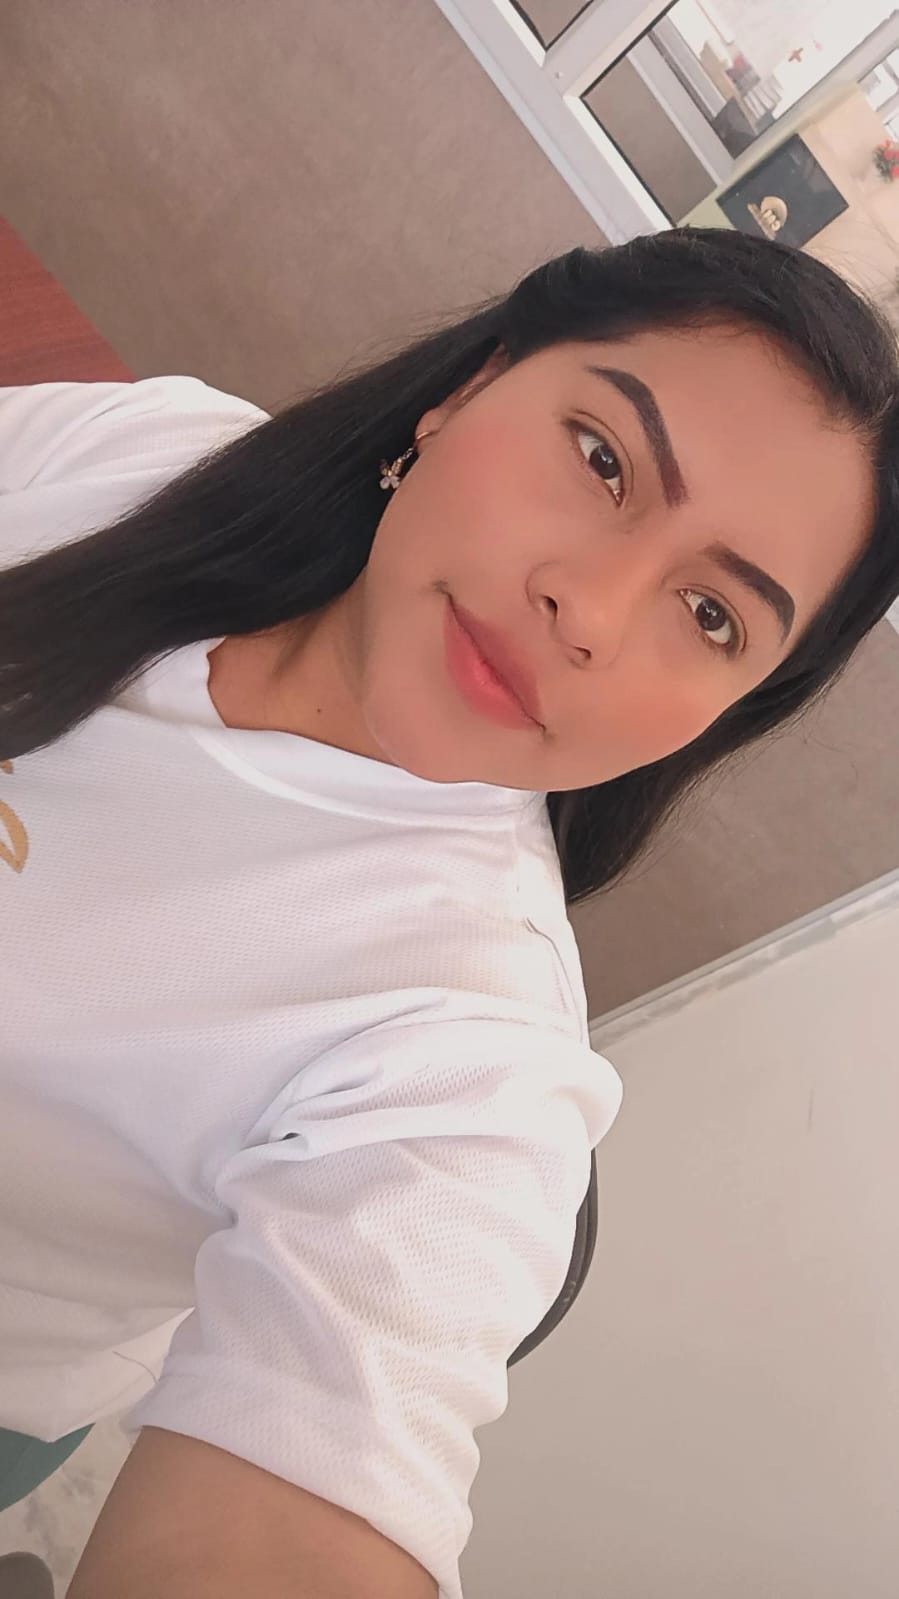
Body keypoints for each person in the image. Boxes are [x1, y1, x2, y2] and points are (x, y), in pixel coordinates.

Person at [0, 227, 897, 1599]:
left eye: (713, 617)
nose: (589, 610)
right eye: (603, 459)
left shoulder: (463, 1061)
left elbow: (320, 1477)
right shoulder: (153, 456)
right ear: (467, 390)